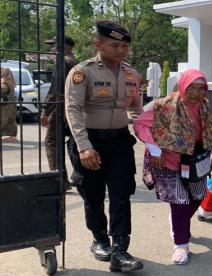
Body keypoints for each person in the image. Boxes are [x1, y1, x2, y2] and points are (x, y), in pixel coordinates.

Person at [65, 20, 143, 272]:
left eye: (124, 46)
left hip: (120, 142)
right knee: (94, 196)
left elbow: (136, 108)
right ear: (98, 45)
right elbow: (73, 109)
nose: (121, 50)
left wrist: (150, 133)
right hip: (91, 142)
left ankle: (120, 250)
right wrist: (84, 146)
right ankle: (100, 239)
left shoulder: (131, 73)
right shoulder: (82, 72)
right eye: (114, 45)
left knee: (121, 195)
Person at [134, 69, 212, 265]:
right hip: (167, 160)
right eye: (192, 88)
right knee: (180, 201)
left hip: (196, 160)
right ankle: (181, 245)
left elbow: (207, 128)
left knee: (198, 196)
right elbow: (140, 124)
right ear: (182, 86)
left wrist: (208, 145)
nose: (197, 93)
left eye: (201, 89)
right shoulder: (165, 105)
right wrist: (154, 150)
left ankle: (178, 222)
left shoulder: (205, 105)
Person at [41, 36, 78, 188]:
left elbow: (55, 88)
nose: (52, 49)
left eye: (54, 45)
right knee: (73, 141)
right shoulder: (75, 61)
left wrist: (45, 110)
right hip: (74, 106)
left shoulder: (62, 61)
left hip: (60, 107)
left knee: (52, 142)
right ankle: (77, 175)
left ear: (63, 46)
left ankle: (59, 181)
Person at [1, 67, 17, 142]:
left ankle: (12, 136)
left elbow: (3, 90)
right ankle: (12, 135)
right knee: (9, 119)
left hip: (8, 104)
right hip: (8, 103)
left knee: (9, 119)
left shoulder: (7, 81)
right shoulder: (9, 81)